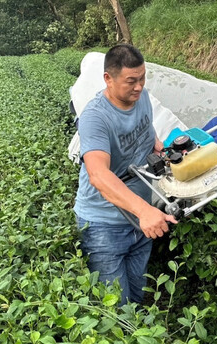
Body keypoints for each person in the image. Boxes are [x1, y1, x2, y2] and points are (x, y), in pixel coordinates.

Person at [74, 44, 178, 305]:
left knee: (138, 293)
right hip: (104, 226)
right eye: (131, 81)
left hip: (139, 220)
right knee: (116, 310)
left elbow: (145, 129)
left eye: (142, 78)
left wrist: (160, 147)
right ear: (108, 79)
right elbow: (98, 175)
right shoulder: (96, 117)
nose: (139, 87)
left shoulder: (140, 96)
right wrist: (145, 212)